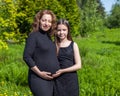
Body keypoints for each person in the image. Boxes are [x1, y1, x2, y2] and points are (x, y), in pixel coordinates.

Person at [23, 10, 60, 96]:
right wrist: (40, 73)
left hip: (52, 80)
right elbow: (26, 57)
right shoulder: (33, 36)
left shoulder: (48, 37)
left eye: (49, 21)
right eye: (44, 20)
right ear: (38, 20)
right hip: (39, 79)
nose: (46, 23)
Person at [53, 19, 82, 96]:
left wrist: (63, 71)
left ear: (68, 30)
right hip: (56, 81)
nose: (61, 32)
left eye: (64, 30)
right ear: (55, 31)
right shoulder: (52, 45)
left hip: (71, 81)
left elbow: (78, 65)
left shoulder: (73, 45)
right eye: (59, 30)